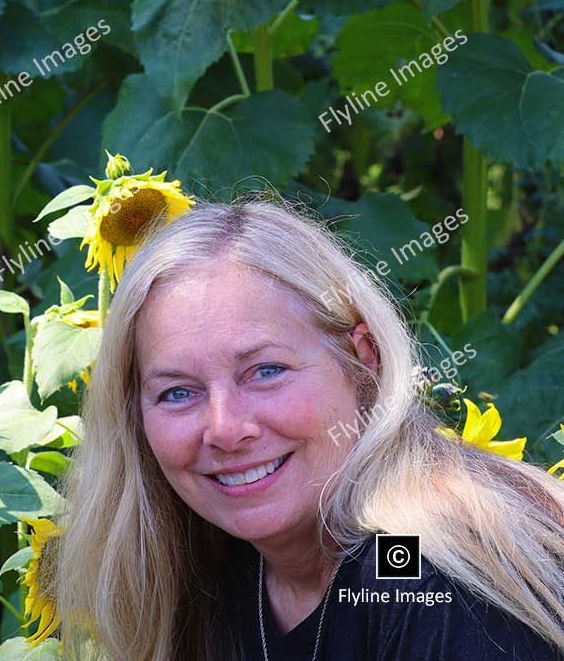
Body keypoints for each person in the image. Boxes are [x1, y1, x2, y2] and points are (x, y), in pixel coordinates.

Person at [54, 201, 564, 660]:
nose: (225, 429)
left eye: (266, 371)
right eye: (177, 392)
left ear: (363, 362)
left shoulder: (421, 576)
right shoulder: (207, 568)